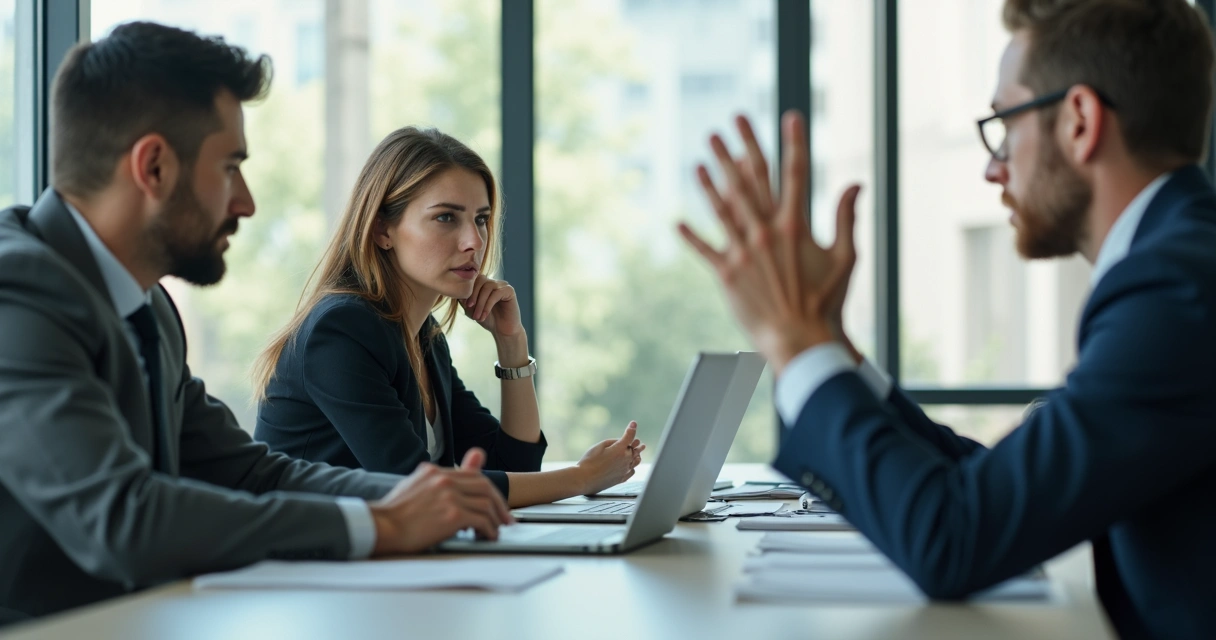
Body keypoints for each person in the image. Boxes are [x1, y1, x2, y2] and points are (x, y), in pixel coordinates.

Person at [679, 0, 1216, 637]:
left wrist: (798, 345)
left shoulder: (1175, 290)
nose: (992, 167)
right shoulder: (1179, 264)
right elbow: (996, 489)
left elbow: (955, 538)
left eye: (1005, 125)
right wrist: (835, 350)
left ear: (1079, 121)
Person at [0, 22, 512, 622]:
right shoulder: (18, 294)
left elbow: (249, 472)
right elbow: (124, 518)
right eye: (230, 168)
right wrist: (381, 523)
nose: (246, 202)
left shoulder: (147, 306)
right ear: (154, 167)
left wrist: (425, 499)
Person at [253, 127, 644, 507]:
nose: (474, 241)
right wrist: (582, 477)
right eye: (446, 218)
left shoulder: (425, 336)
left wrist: (512, 343)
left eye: (481, 219)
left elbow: (514, 466)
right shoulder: (341, 331)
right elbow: (418, 487)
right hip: (309, 549)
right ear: (382, 229)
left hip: (392, 548)